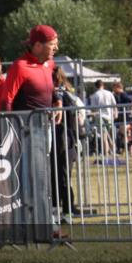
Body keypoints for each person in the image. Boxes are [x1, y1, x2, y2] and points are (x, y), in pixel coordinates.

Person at [2, 25, 59, 112]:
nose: (56, 48)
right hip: (25, 124)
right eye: (52, 44)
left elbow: (50, 88)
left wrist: (58, 101)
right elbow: (6, 101)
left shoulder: (50, 64)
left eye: (56, 44)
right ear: (38, 45)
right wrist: (9, 124)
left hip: (47, 123)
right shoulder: (20, 67)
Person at [51, 66, 81, 219]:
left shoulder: (58, 94)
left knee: (59, 177)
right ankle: (64, 210)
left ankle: (66, 211)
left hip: (62, 140)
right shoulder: (69, 93)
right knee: (62, 177)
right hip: (68, 141)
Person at [88, 79, 117, 156]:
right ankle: (112, 151)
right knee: (110, 135)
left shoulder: (94, 95)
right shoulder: (109, 93)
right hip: (109, 116)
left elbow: (93, 108)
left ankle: (106, 153)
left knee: (104, 136)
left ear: (96, 86)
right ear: (103, 85)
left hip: (99, 116)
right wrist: (115, 113)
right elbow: (114, 105)